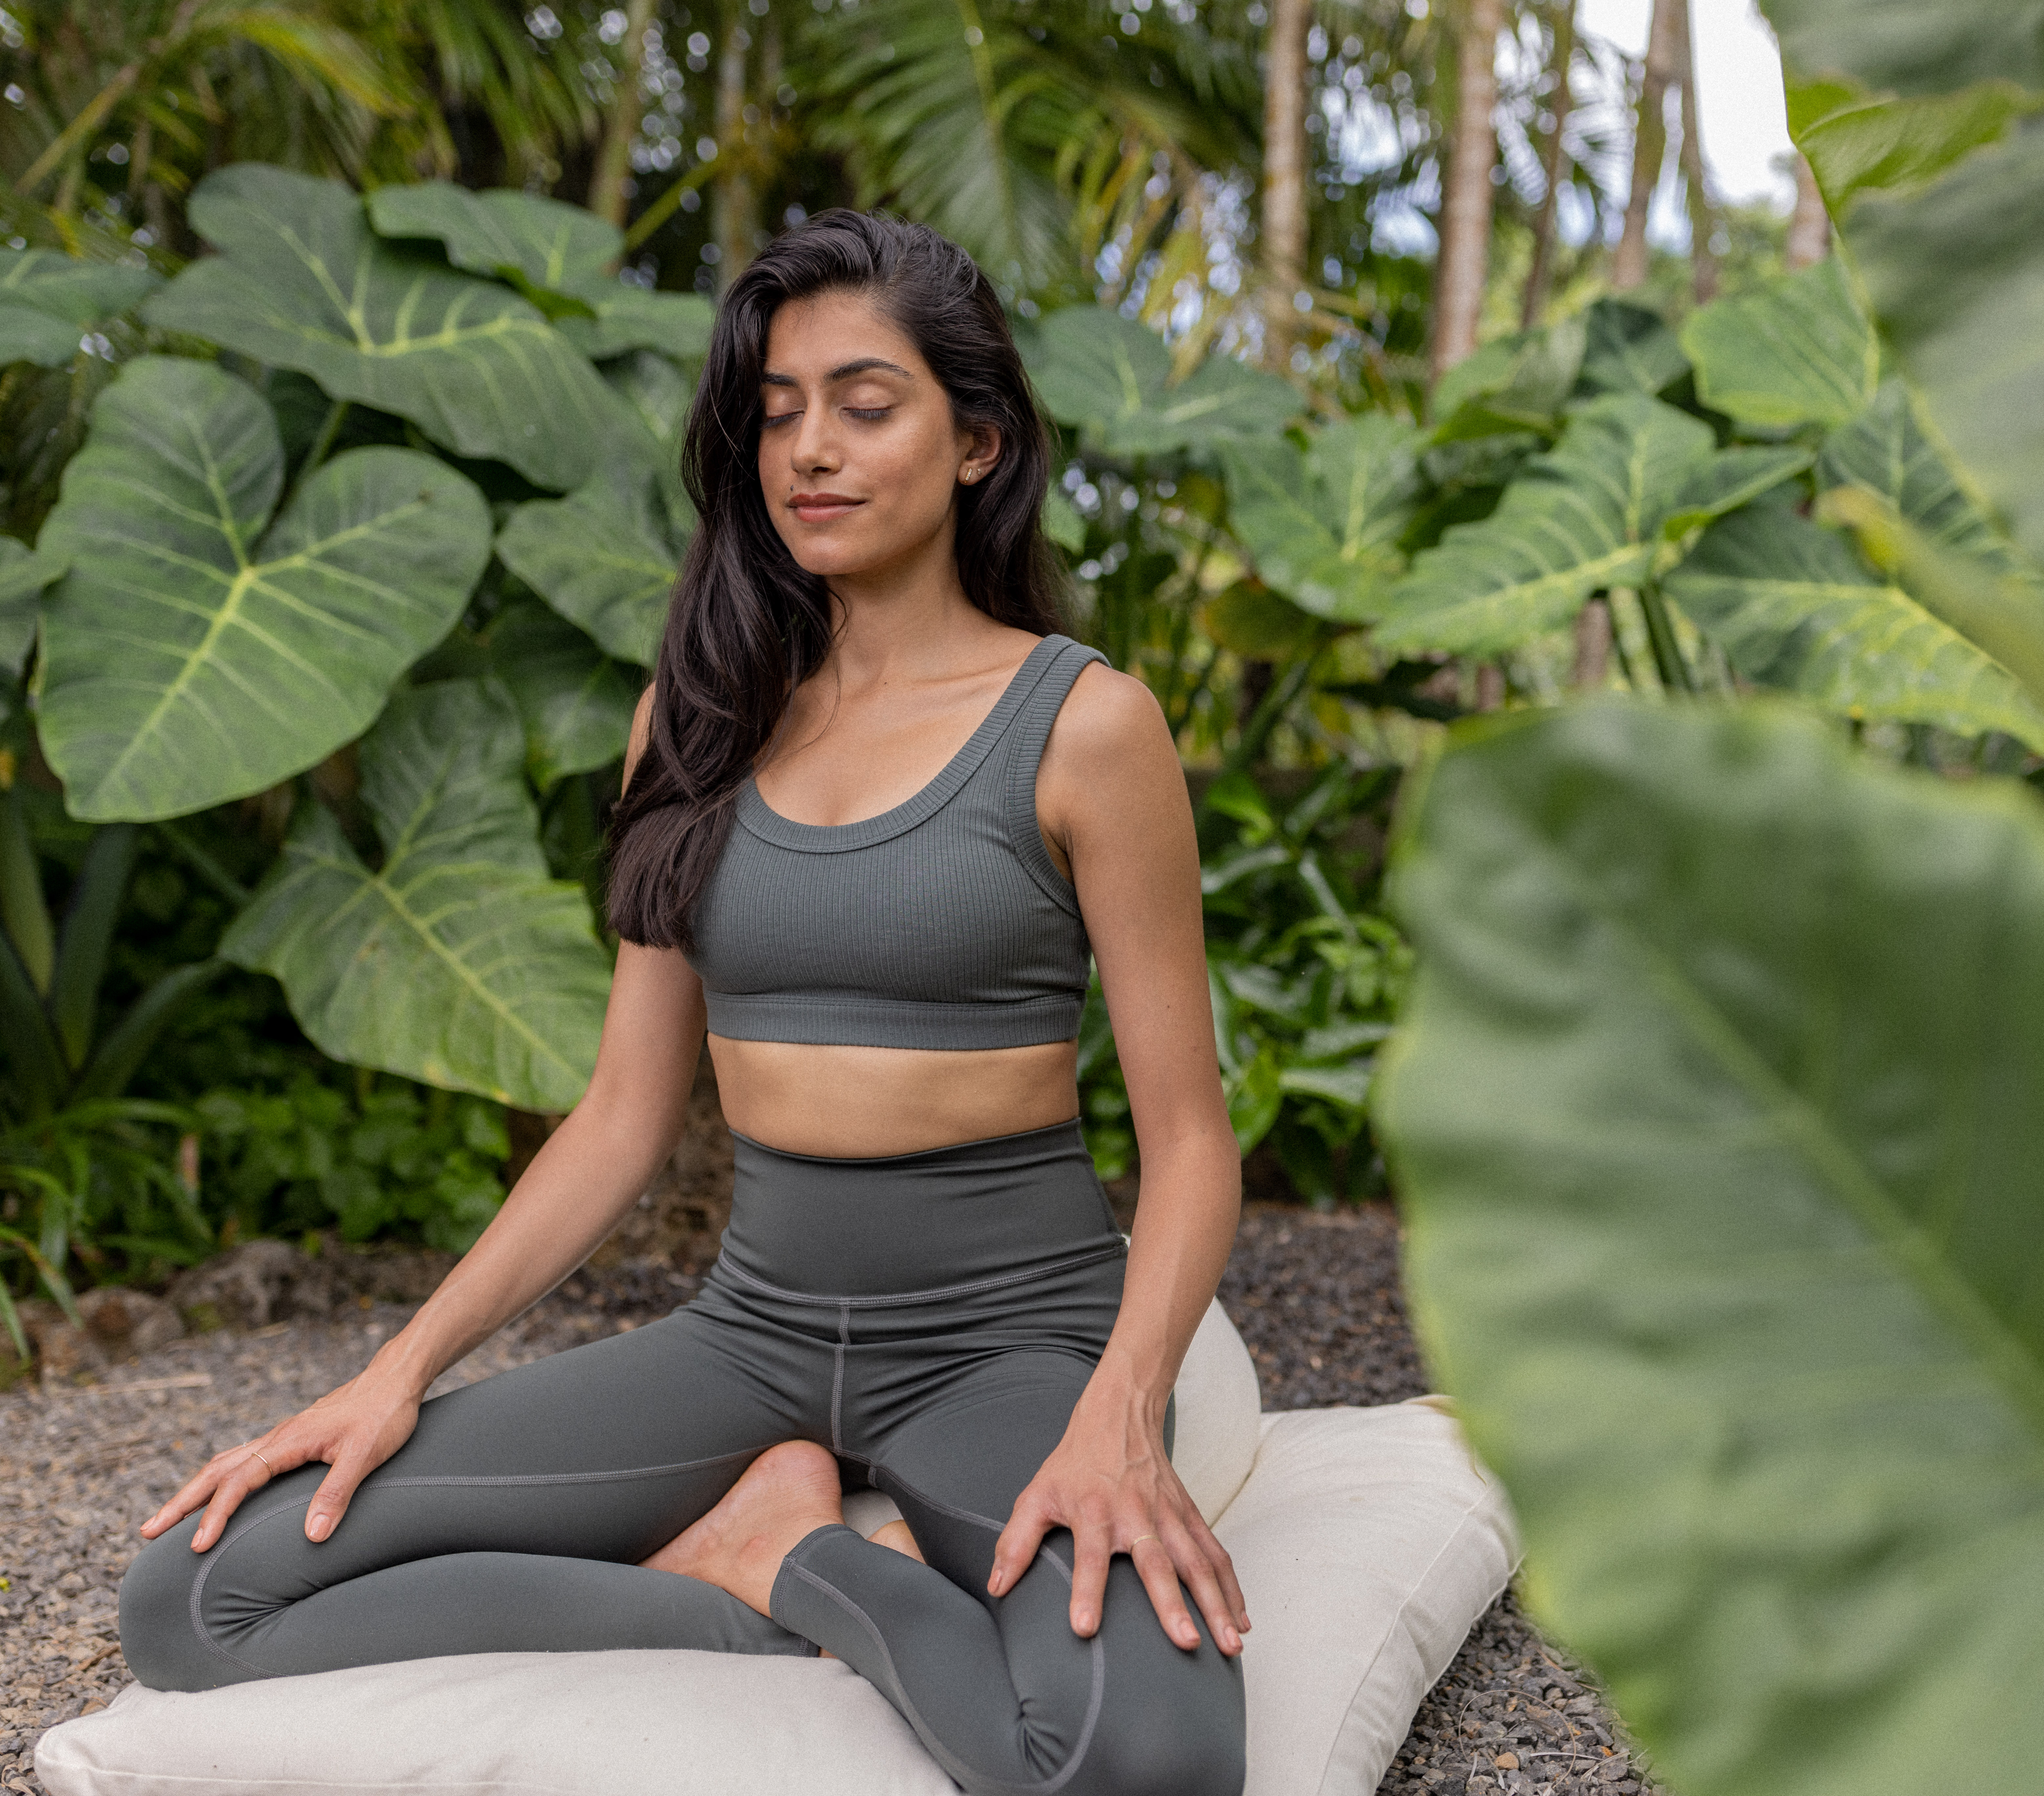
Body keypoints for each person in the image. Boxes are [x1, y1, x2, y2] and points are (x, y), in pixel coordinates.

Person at [116, 211, 1250, 1795]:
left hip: (1009, 1340)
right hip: (757, 1334)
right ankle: (761, 1558)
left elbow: (1190, 1141)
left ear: (977, 438)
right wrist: (399, 1369)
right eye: (777, 410)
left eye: (866, 403)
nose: (810, 449)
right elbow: (623, 1112)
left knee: (1140, 1765)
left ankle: (794, 1558)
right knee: (193, 1596)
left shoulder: (1085, 726)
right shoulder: (699, 717)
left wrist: (1121, 1412)